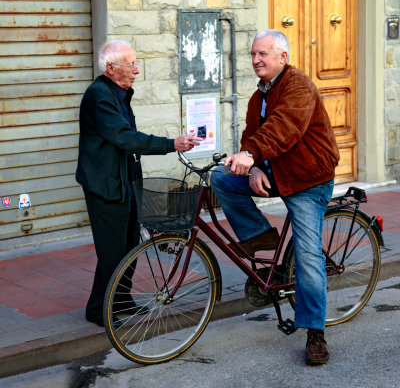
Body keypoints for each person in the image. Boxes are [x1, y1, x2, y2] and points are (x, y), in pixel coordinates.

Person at [210, 29, 340, 365]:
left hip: (308, 180)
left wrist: (251, 155)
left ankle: (315, 333)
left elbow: (285, 127)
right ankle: (259, 235)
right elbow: (251, 135)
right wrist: (251, 167)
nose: (255, 60)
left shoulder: (297, 86)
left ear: (282, 56)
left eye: (262, 54)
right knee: (221, 178)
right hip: (276, 173)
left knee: (309, 257)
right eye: (253, 54)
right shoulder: (259, 96)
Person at [76, 40, 202, 327]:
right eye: (130, 64)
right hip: (105, 184)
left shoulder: (118, 93)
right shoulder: (100, 96)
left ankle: (121, 300)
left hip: (126, 179)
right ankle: (98, 309)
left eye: (135, 63)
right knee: (112, 251)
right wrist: (172, 144)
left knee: (131, 244)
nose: (137, 70)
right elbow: (124, 137)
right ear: (111, 68)